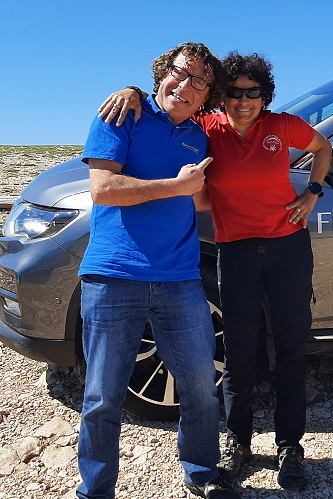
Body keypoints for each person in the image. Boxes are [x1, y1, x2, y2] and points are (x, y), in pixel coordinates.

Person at [99, 52, 332, 490]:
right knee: (239, 353)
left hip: (288, 248)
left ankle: (290, 448)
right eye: (234, 93)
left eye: (253, 93)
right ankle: (238, 443)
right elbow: (171, 113)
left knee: (291, 349)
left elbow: (324, 148)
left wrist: (313, 192)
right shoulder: (206, 129)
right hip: (236, 251)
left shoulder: (282, 127)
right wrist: (133, 91)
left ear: (265, 96)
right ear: (220, 96)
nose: (243, 102)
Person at [76, 42, 240, 499]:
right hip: (113, 276)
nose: (186, 86)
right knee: (102, 398)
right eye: (180, 73)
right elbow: (104, 189)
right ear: (161, 73)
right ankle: (95, 489)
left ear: (208, 96)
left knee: (200, 387)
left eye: (200, 82)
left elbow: (203, 195)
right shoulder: (119, 115)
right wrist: (177, 186)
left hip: (180, 278)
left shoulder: (200, 135)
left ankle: (202, 471)